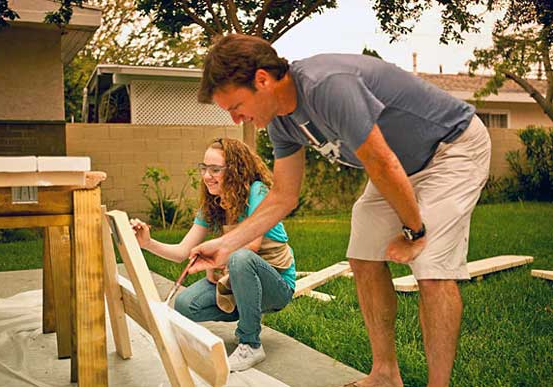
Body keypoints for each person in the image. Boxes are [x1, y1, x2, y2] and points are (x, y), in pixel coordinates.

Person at [189, 34, 491, 387]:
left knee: (432, 266)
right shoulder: (281, 120)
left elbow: (381, 162)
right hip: (397, 167)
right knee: (362, 255)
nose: (236, 116)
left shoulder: (328, 86)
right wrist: (226, 245)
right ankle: (384, 375)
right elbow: (284, 196)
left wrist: (415, 231)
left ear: (262, 80)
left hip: (451, 148)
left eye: (236, 105)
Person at [131, 138, 296, 372]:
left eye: (215, 169)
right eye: (204, 168)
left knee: (240, 258)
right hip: (238, 280)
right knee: (186, 305)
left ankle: (251, 343)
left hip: (276, 286)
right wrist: (147, 243)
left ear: (236, 171)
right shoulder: (213, 204)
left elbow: (250, 247)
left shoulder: (257, 192)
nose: (207, 175)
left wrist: (215, 261)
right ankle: (247, 310)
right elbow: (181, 252)